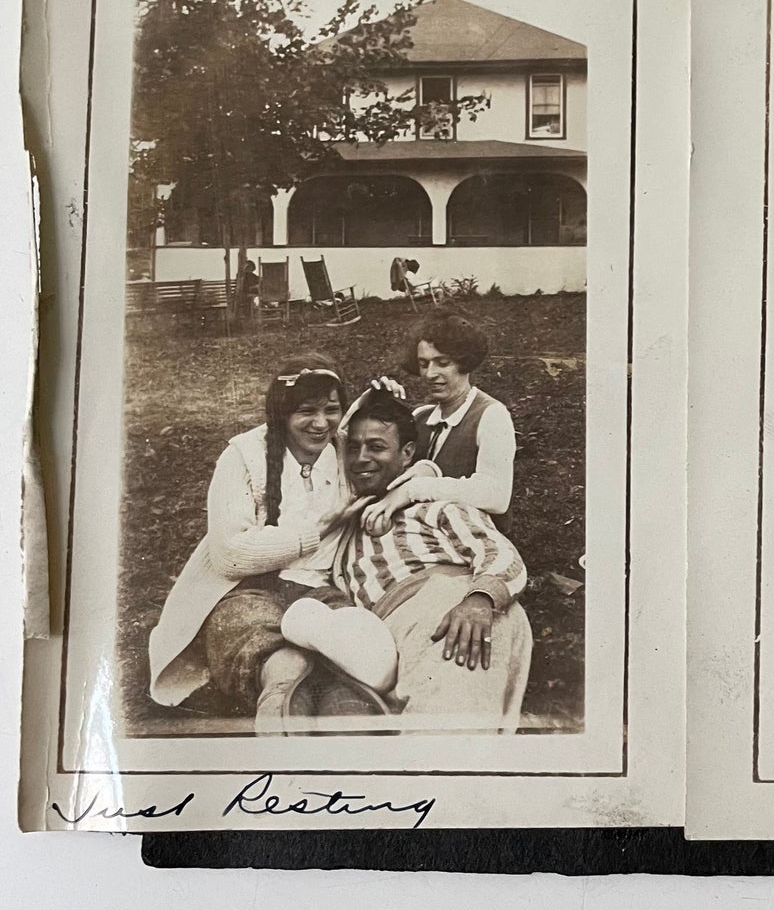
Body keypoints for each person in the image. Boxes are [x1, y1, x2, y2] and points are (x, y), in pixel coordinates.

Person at [148, 353, 362, 726]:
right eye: (306, 411)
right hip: (246, 590)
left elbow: (407, 452)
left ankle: (346, 754)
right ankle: (278, 732)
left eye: (331, 409)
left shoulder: (346, 448)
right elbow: (231, 555)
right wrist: (315, 531)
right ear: (281, 413)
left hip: (322, 588)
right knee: (283, 667)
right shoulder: (244, 456)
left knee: (347, 671)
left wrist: (388, 402)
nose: (320, 423)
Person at [333, 389, 532, 729]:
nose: (361, 458)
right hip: (392, 636)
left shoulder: (432, 505)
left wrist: (479, 600)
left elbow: (498, 552)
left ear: (407, 453)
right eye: (354, 448)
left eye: (377, 447)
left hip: (458, 607)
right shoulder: (342, 528)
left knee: (448, 734)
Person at [358, 309, 515, 538]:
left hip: (476, 544)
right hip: (420, 540)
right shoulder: (422, 416)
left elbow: (496, 495)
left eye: (442, 363)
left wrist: (415, 489)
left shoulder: (491, 415)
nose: (430, 374)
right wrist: (368, 406)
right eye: (423, 364)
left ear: (465, 363)